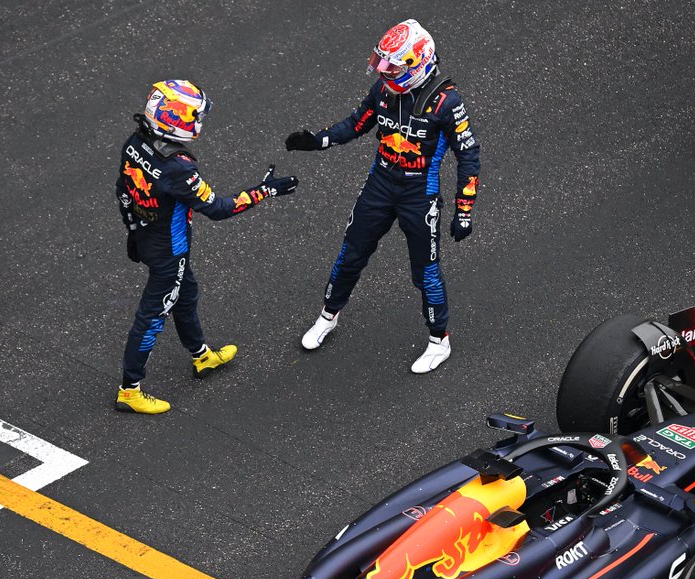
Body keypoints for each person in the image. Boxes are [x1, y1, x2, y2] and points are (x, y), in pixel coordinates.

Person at [286, 19, 480, 374]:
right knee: (351, 253)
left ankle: (440, 341)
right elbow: (356, 124)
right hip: (380, 184)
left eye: (392, 66)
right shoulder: (384, 90)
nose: (384, 72)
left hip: (420, 194)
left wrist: (463, 209)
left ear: (417, 63)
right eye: (383, 65)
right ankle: (328, 316)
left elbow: (468, 155)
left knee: (426, 273)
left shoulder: (446, 103)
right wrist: (318, 140)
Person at [115, 79, 298, 413]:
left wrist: (133, 231)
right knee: (152, 316)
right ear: (175, 120)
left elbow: (123, 191)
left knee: (187, 295)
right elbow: (218, 209)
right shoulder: (179, 169)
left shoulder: (135, 142)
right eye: (194, 117)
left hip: (148, 235)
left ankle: (201, 356)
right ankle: (129, 390)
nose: (198, 123)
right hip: (170, 251)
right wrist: (264, 190)